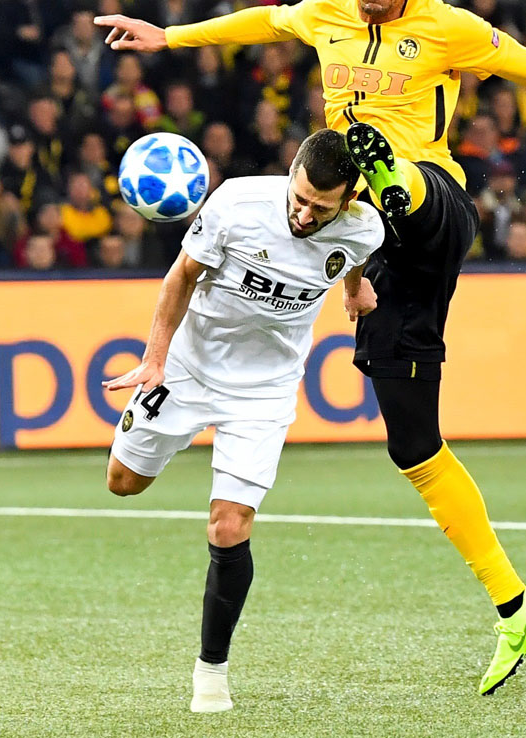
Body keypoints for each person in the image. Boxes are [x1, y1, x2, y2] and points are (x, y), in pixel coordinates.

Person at [95, 0, 526, 695]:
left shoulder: (449, 29)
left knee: (387, 174)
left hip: (434, 207)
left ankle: (386, 170)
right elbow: (261, 24)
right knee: (413, 445)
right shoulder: (325, 12)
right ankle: (517, 605)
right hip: (373, 250)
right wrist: (168, 37)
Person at [101, 130, 384, 713]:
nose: (304, 213)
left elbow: (349, 261)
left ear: (349, 198)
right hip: (188, 366)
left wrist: (354, 293)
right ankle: (177, 435)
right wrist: (155, 359)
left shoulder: (365, 228)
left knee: (229, 527)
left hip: (264, 391)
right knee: (123, 483)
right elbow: (180, 276)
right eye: (299, 197)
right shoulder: (236, 203)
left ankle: (211, 672)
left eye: (320, 207)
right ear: (291, 174)